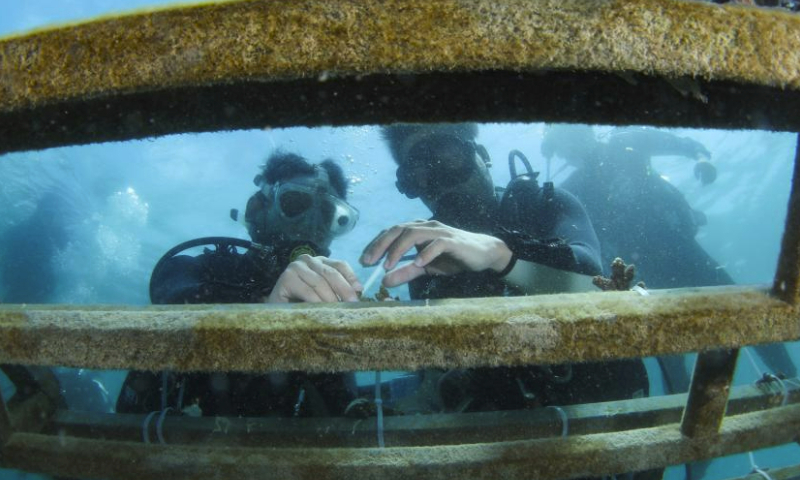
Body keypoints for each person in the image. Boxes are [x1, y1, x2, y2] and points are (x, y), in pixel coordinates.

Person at [360, 123, 650, 414]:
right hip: (510, 435)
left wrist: (500, 256)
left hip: (602, 408)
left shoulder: (542, 204)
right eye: (421, 174)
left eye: (450, 158)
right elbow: (442, 374)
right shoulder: (426, 265)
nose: (442, 181)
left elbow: (594, 280)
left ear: (482, 155)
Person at [541, 124, 797, 393]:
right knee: (673, 353)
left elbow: (693, 147)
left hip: (678, 254)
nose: (568, 149)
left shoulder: (627, 142)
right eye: (561, 143)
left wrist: (703, 162)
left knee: (745, 312)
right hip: (643, 275)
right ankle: (685, 417)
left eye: (567, 139)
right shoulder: (572, 190)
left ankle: (790, 386)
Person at [116, 151, 363, 419]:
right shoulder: (202, 271)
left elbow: (344, 408)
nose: (310, 226)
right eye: (294, 203)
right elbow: (171, 291)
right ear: (257, 209)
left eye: (327, 216)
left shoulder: (327, 305)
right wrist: (265, 312)